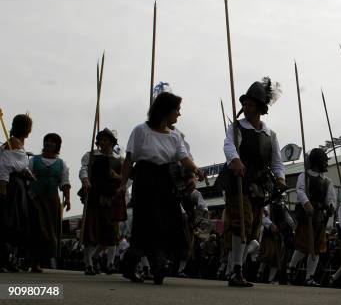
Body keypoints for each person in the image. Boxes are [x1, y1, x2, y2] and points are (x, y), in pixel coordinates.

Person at [120, 92, 204, 285]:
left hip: (166, 181)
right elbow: (129, 160)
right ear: (166, 110)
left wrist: (196, 170)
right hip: (145, 179)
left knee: (169, 222)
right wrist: (122, 185)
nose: (179, 114)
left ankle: (158, 263)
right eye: (177, 110)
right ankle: (142, 264)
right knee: (147, 223)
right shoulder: (141, 130)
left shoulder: (175, 136)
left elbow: (184, 158)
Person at [222, 77, 286, 287]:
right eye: (244, 104)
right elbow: (229, 146)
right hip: (238, 180)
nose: (245, 108)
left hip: (259, 186)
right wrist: (236, 160)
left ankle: (233, 266)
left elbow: (276, 160)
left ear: (259, 108)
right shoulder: (236, 127)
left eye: (250, 105)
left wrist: (280, 178)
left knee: (253, 229)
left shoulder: (271, 135)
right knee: (243, 222)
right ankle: (236, 271)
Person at [287, 148, 337, 286]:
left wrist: (331, 205)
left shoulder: (327, 181)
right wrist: (306, 203)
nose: (326, 164)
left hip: (320, 218)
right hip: (306, 216)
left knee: (317, 249)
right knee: (304, 246)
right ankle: (291, 267)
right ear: (317, 161)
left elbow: (331, 198)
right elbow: (300, 191)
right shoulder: (304, 176)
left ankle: (310, 277)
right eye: (325, 161)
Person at [79, 128, 123, 275]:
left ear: (112, 142)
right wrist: (85, 180)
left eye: (107, 140)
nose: (103, 143)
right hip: (94, 197)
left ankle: (110, 264)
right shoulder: (91, 156)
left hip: (111, 199)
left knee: (111, 233)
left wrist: (117, 177)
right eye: (101, 140)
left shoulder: (118, 160)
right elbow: (83, 169)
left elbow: (126, 179)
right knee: (91, 231)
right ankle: (89, 264)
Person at [28, 133, 71, 272]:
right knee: (36, 229)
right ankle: (31, 260)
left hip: (52, 201)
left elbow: (65, 183)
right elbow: (27, 177)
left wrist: (68, 199)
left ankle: (40, 261)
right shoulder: (34, 160)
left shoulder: (61, 164)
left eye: (52, 142)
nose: (49, 144)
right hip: (35, 199)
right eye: (47, 141)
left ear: (57, 146)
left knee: (50, 231)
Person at [0, 114, 34, 273]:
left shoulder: (18, 144)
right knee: (8, 222)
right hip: (11, 186)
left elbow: (18, 165)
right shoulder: (12, 143)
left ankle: (8, 259)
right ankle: (3, 259)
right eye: (28, 126)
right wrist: (3, 189)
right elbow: (5, 167)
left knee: (16, 223)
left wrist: (27, 173)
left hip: (18, 186)